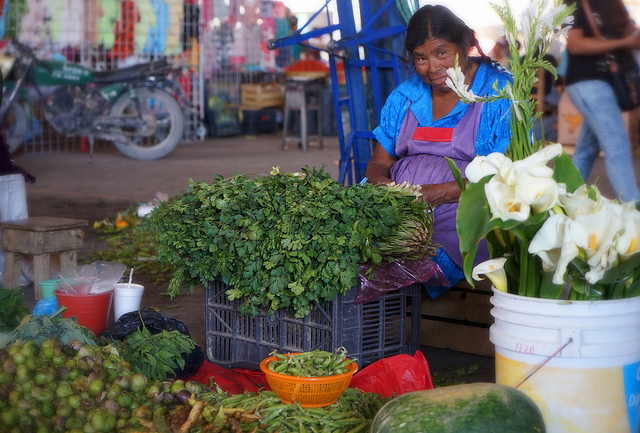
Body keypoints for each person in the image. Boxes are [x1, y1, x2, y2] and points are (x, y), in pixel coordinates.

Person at [365, 5, 513, 298]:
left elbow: (508, 176)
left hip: (468, 210)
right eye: (421, 57)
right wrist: (383, 187)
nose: (432, 68)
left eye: (441, 53)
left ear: (467, 44)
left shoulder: (499, 94)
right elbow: (379, 161)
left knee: (410, 265)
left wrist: (432, 195)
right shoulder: (406, 95)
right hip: (404, 208)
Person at [563, 0, 640, 204]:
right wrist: (624, 42)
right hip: (588, 80)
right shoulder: (575, 2)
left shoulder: (614, 4)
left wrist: (629, 34)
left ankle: (562, 201)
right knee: (618, 145)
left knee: (587, 150)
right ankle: (634, 210)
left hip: (607, 83)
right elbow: (575, 45)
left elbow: (627, 30)